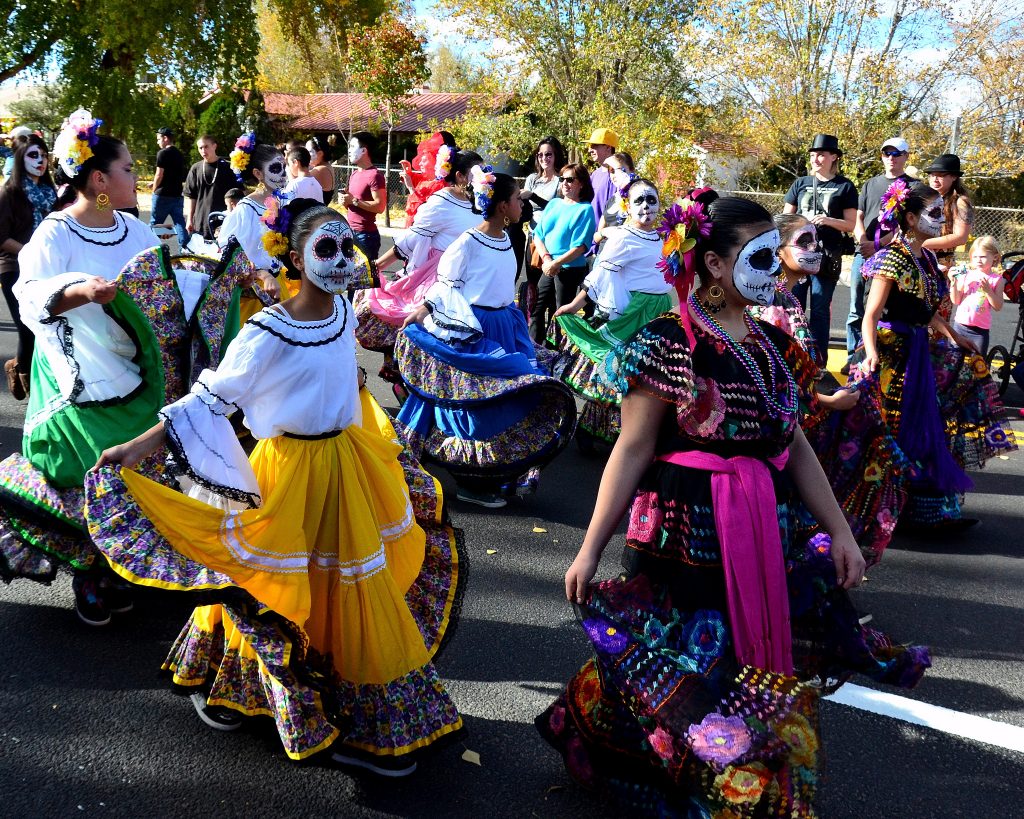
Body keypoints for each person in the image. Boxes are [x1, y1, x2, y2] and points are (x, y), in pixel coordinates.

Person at [537, 190, 930, 817]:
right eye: (760, 253)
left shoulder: (774, 348)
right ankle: (668, 767)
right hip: (683, 529)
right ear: (715, 265)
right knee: (684, 654)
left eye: (776, 252)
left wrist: (843, 536)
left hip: (758, 525)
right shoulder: (671, 341)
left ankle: (730, 776)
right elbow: (632, 450)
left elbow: (796, 447)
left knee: (739, 660)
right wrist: (590, 550)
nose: (776, 265)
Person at [88, 198, 464, 774]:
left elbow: (347, 369)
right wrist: (137, 448)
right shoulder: (266, 330)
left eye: (346, 247)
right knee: (274, 585)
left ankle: (356, 707)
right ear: (294, 255)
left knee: (344, 586)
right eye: (326, 249)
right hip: (290, 472)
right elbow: (212, 397)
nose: (341, 260)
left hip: (347, 465)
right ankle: (244, 687)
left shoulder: (342, 311)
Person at [0, 110, 163, 622]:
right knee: (87, 472)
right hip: (78, 374)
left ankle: (119, 563)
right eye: (128, 169)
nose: (137, 177)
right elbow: (28, 297)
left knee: (136, 468)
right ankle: (89, 572)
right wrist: (78, 291)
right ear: (98, 180)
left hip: (135, 374)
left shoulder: (136, 231)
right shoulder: (55, 234)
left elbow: (163, 285)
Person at [397, 168, 577, 507]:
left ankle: (499, 476)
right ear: (500, 206)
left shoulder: (506, 237)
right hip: (477, 330)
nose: (521, 204)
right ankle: (470, 481)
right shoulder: (467, 242)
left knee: (511, 400)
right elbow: (446, 285)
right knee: (478, 408)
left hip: (506, 326)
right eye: (515, 199)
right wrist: (423, 313)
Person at [858, 180, 1015, 531]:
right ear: (910, 218)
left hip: (918, 349)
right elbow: (871, 314)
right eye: (931, 213)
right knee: (891, 430)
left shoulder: (926, 256)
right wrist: (869, 355)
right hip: (893, 353)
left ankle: (925, 510)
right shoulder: (892, 258)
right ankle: (879, 513)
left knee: (937, 416)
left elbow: (927, 311)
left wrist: (957, 336)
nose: (940, 219)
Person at [764, 213, 910, 565]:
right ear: (777, 249)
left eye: (816, 241)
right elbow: (773, 383)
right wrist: (830, 401)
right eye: (804, 242)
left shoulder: (790, 298)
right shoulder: (770, 304)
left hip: (807, 422)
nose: (814, 249)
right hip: (787, 432)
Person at [551, 178, 672, 450]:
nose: (646, 207)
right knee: (618, 371)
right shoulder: (625, 237)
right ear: (627, 206)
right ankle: (589, 428)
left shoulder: (663, 237)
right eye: (639, 201)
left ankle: (621, 433)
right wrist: (575, 304)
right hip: (635, 312)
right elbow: (601, 273)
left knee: (642, 376)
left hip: (659, 312)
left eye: (651, 200)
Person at [353, 149, 482, 390]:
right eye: (479, 172)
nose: (486, 176)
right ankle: (409, 386)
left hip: (470, 277)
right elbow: (411, 239)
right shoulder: (442, 202)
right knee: (430, 335)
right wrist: (377, 266)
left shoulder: (479, 203)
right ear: (461, 176)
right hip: (439, 278)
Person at [782, 134, 857, 364]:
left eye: (821, 154)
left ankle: (817, 361)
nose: (816, 159)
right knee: (792, 307)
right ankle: (789, 356)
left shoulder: (844, 186)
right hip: (797, 256)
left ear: (833, 157)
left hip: (826, 257)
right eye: (813, 154)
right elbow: (785, 218)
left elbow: (851, 225)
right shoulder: (800, 183)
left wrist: (827, 221)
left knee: (820, 310)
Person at [846, 137, 915, 369]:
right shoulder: (870, 184)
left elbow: (906, 226)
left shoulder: (912, 186)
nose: (891, 158)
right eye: (887, 154)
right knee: (857, 308)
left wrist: (879, 245)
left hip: (892, 256)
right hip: (863, 252)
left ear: (906, 156)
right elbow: (858, 217)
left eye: (897, 154)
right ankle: (854, 358)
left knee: (881, 309)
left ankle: (878, 356)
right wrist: (864, 240)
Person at [0, 134, 57, 399]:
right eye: (33, 155)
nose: (41, 161)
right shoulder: (9, 192)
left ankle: (18, 366)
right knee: (26, 328)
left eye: (44, 155)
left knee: (44, 327)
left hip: (46, 269)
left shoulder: (51, 192)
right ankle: (28, 382)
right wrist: (30, 252)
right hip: (13, 267)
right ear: (21, 160)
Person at [217, 135, 288, 320]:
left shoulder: (279, 203)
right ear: (258, 174)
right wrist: (263, 275)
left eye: (284, 167)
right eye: (275, 168)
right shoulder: (245, 210)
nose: (283, 174)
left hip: (278, 286)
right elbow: (230, 255)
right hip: (253, 294)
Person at [529, 163, 598, 345]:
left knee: (560, 312)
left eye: (570, 179)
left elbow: (581, 247)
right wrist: (546, 259)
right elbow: (538, 235)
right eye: (562, 179)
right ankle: (535, 349)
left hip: (569, 269)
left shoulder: (585, 209)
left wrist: (556, 263)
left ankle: (558, 352)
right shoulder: (554, 204)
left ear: (581, 183)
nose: (565, 183)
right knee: (536, 308)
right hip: (548, 265)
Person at [948, 236, 1004, 355]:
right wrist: (953, 283)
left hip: (979, 332)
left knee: (977, 365)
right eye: (975, 257)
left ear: (994, 257)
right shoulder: (966, 275)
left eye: (983, 257)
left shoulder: (997, 280)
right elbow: (956, 300)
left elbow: (998, 306)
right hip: (959, 326)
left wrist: (988, 291)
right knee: (952, 362)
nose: (978, 260)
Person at [922, 153, 973, 270]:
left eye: (941, 175)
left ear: (954, 177)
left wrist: (923, 243)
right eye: (932, 174)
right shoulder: (923, 198)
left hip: (941, 265)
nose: (935, 179)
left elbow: (961, 237)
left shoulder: (961, 202)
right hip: (918, 257)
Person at [184, 134, 236, 245]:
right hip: (200, 220)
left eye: (206, 147)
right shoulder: (195, 168)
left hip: (222, 219)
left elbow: (236, 195)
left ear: (214, 146)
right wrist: (189, 219)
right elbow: (192, 196)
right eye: (200, 148)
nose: (203, 150)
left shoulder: (228, 168)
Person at [343, 131, 387, 260]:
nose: (349, 151)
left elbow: (380, 206)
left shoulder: (375, 175)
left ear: (364, 150)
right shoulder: (354, 174)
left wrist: (354, 200)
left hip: (366, 236)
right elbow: (352, 205)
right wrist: (346, 201)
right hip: (350, 232)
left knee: (367, 278)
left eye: (352, 146)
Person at [400, 131, 457, 227]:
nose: (420, 164)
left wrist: (410, 188)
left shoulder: (440, 185)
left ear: (435, 162)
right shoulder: (425, 179)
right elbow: (416, 180)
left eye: (424, 160)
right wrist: (408, 172)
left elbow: (422, 210)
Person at [149, 127, 188, 248]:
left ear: (165, 138)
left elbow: (159, 174)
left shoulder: (163, 153)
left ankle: (150, 248)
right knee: (179, 223)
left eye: (158, 139)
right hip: (177, 194)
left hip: (163, 195)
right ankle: (185, 249)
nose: (157, 142)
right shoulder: (179, 154)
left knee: (155, 224)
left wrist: (154, 189)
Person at [591, 151, 637, 246]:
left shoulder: (638, 194)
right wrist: (605, 232)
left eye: (619, 169)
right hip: (605, 253)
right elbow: (596, 237)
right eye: (612, 171)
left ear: (632, 170)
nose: (615, 175)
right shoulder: (612, 200)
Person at [585, 128, 619, 229]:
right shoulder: (594, 175)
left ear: (608, 147)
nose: (590, 150)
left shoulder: (620, 174)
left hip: (610, 238)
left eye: (594, 145)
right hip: (592, 238)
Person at [305, 136, 336, 205]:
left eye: (309, 151)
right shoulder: (326, 166)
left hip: (315, 212)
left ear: (320, 154)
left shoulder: (320, 170)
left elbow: (296, 186)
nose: (305, 155)